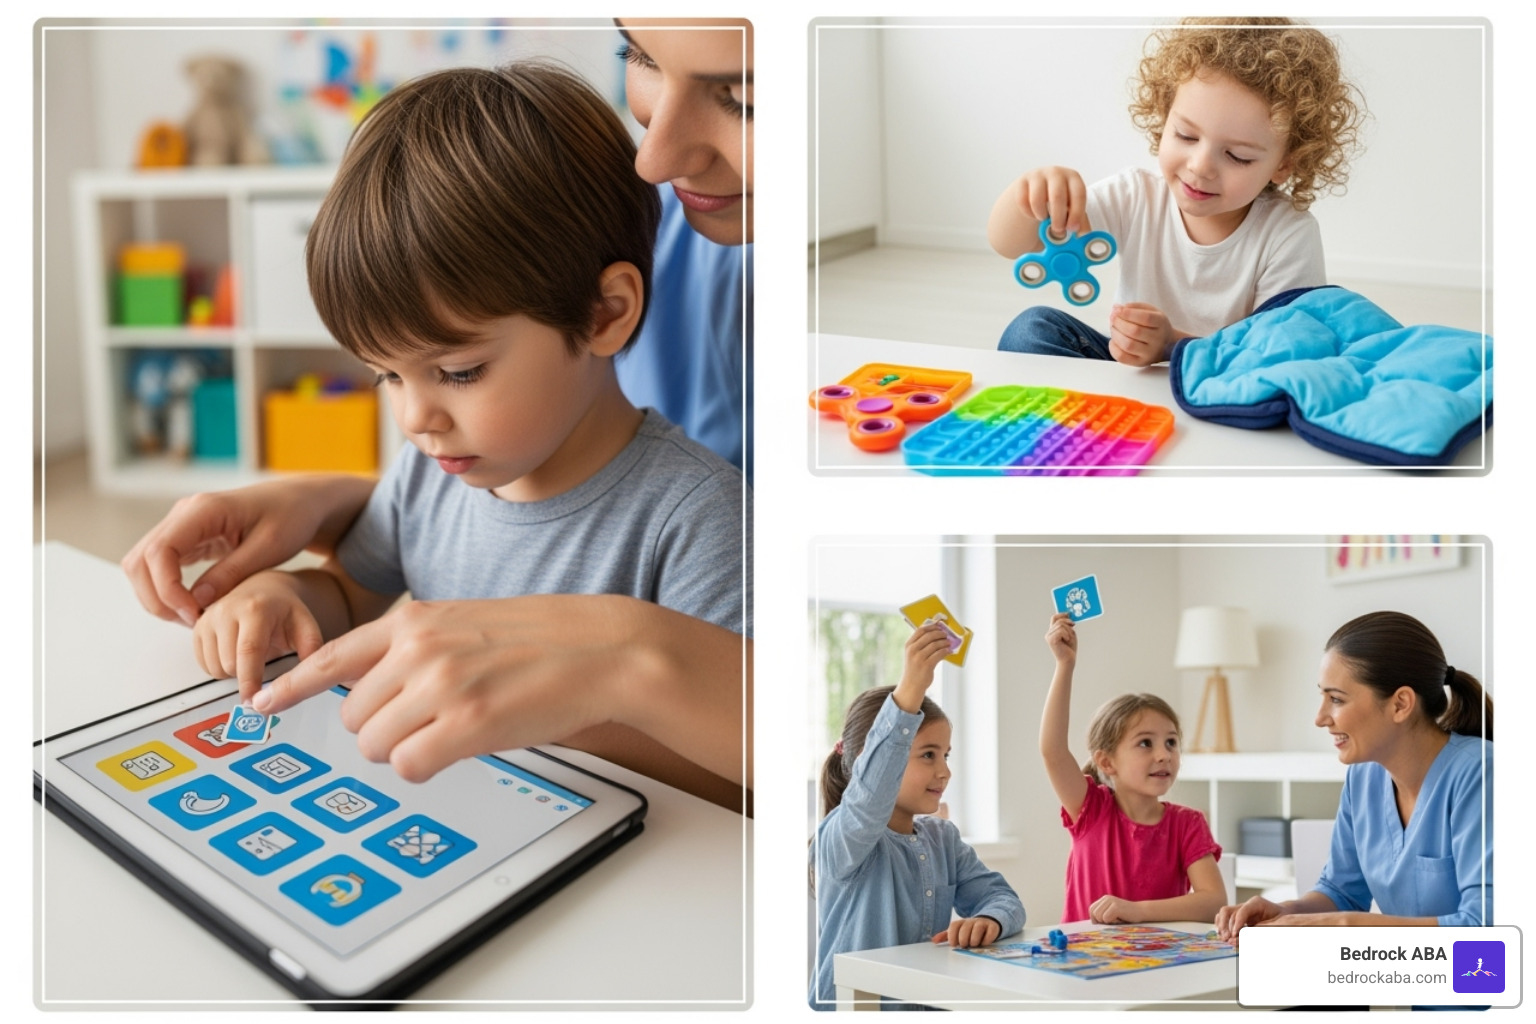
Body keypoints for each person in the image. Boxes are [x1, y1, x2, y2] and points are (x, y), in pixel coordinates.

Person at [119, 21, 753, 812]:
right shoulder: (434, 475)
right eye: (386, 374)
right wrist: (286, 598)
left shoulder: (699, 518)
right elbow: (354, 592)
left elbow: (739, 777)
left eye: (458, 372)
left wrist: (558, 720)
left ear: (604, 313)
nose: (417, 417)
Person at [987, 17, 1364, 364]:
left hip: (1224, 381)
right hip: (1131, 372)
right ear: (1165, 115)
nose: (1200, 166)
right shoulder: (1136, 194)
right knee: (1030, 329)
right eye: (1186, 135)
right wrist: (1031, 195)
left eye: (1237, 156)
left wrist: (1173, 345)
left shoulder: (1288, 233)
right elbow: (1008, 244)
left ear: (1284, 164)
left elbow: (1282, 354)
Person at [1217, 611, 1493, 939]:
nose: (1320, 718)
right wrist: (1286, 911)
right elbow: (1341, 892)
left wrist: (1345, 925)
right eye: (1322, 696)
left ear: (1400, 704)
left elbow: (1486, 928)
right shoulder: (1362, 778)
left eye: (1336, 699)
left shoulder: (1481, 774)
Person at [810, 622, 1025, 1010]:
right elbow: (871, 793)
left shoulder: (943, 838)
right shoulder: (843, 837)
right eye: (928, 755)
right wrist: (911, 688)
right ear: (870, 761)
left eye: (946, 755)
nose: (944, 772)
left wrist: (990, 920)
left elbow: (1002, 898)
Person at [1042, 613, 1225, 924]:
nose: (1164, 755)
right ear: (1106, 762)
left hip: (1159, 954)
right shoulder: (1091, 810)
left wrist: (1137, 911)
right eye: (1145, 743)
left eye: (1171, 742)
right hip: (1084, 953)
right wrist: (1064, 665)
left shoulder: (1187, 824)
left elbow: (1214, 902)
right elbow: (1053, 751)